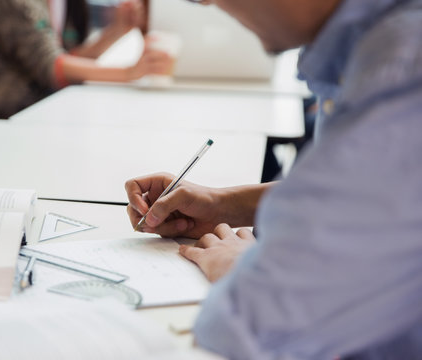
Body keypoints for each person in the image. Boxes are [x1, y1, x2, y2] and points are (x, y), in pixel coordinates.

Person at [125, 0, 422, 358]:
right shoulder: (372, 41)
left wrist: (240, 268)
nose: (206, 3)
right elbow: (384, 194)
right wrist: (225, 205)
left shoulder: (404, 64)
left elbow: (253, 328)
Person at [0, 0, 170, 132]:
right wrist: (130, 73)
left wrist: (117, 30)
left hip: (8, 115)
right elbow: (52, 68)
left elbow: (65, 56)